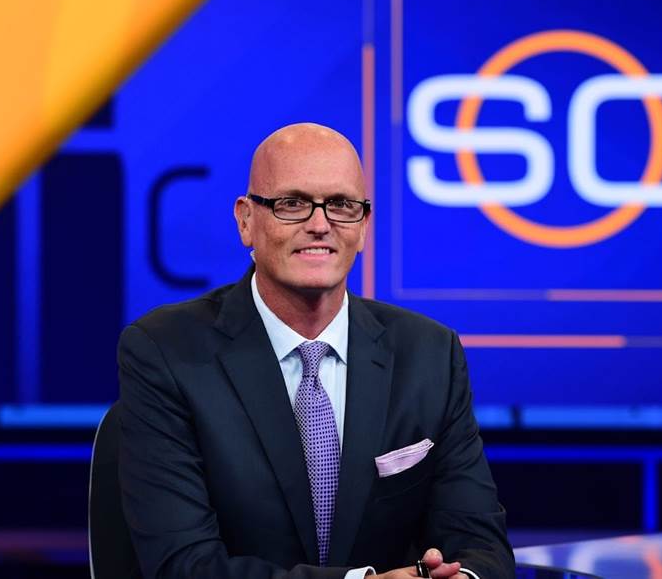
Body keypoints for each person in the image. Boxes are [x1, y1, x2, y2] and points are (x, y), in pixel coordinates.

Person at [117, 123, 513, 579]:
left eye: (341, 205)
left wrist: (461, 577)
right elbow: (183, 566)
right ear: (246, 220)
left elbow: (480, 542)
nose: (320, 225)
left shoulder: (430, 354)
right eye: (292, 203)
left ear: (363, 227)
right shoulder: (166, 351)